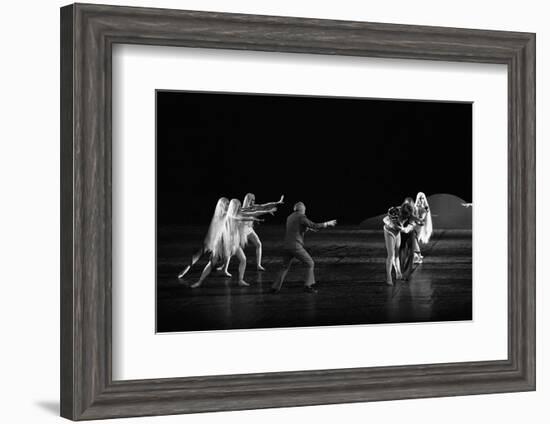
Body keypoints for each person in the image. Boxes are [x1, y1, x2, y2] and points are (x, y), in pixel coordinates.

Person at [191, 199, 270, 288]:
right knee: (212, 263)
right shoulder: (229, 216)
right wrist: (252, 218)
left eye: (240, 206)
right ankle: (199, 281)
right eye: (238, 206)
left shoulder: (238, 214)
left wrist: (266, 211)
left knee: (243, 259)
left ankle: (240, 280)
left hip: (233, 243)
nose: (240, 208)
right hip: (222, 243)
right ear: (234, 207)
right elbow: (241, 218)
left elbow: (250, 213)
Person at [271, 202, 337, 293]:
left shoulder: (289, 217)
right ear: (302, 209)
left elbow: (296, 228)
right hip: (295, 246)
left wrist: (308, 228)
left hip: (286, 246)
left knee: (284, 267)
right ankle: (308, 286)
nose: (305, 211)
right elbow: (313, 225)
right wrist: (327, 223)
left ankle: (275, 287)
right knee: (310, 263)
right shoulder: (301, 217)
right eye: (304, 209)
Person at [217, 193, 284, 274]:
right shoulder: (242, 209)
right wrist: (267, 211)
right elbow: (255, 213)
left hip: (249, 229)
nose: (253, 202)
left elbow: (264, 205)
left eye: (254, 200)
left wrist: (277, 202)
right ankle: (224, 266)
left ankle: (258, 265)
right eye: (252, 200)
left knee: (258, 244)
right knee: (233, 251)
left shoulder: (253, 206)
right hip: (242, 231)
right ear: (248, 200)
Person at [177, 197, 229, 279]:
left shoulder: (220, 214)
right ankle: (186, 269)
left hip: (216, 241)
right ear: (223, 206)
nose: (228, 206)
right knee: (199, 254)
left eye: (228, 204)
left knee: (206, 255)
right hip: (214, 241)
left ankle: (223, 268)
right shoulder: (223, 215)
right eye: (227, 204)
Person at [399, 198, 424, 280]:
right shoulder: (399, 213)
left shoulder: (411, 214)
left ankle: (406, 274)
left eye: (408, 216)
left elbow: (418, 220)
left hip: (410, 234)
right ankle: (401, 271)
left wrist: (420, 222)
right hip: (402, 234)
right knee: (401, 251)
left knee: (411, 253)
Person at [413, 192, 432, 263]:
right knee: (414, 240)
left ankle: (418, 256)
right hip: (413, 226)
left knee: (415, 240)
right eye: (419, 198)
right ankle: (416, 256)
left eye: (422, 198)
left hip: (419, 226)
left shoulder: (425, 208)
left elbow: (421, 219)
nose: (421, 200)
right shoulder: (415, 207)